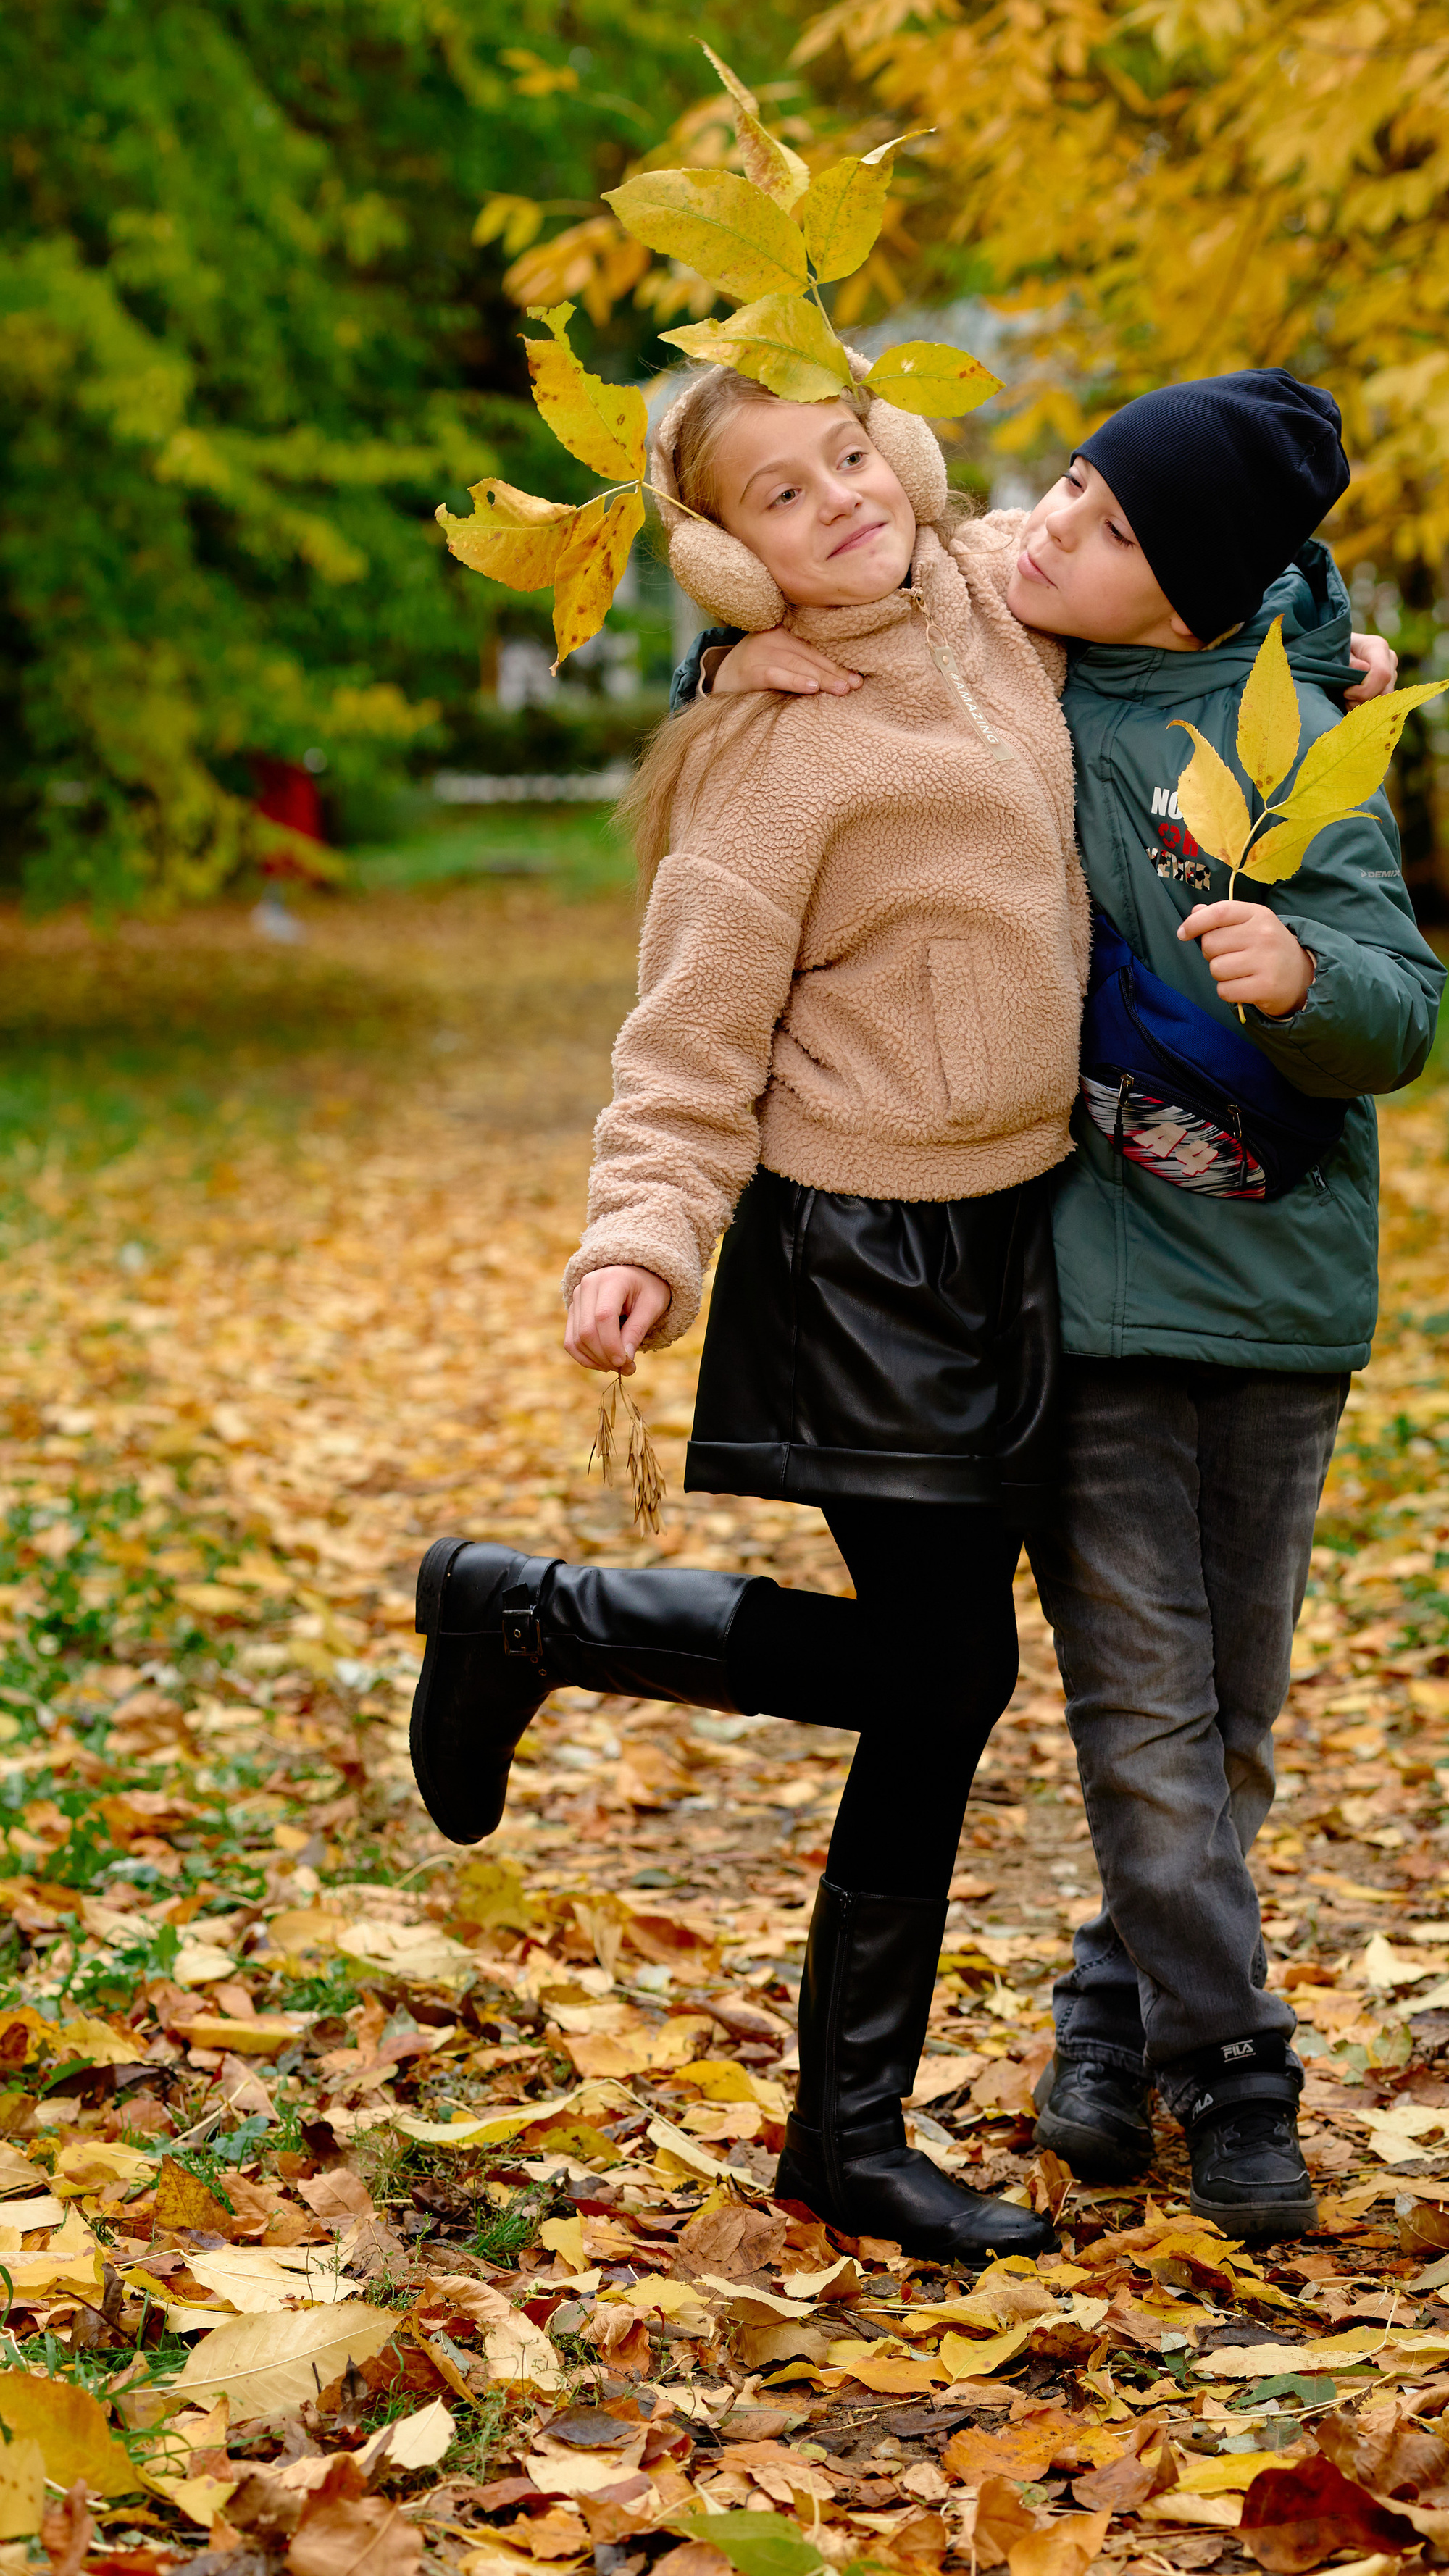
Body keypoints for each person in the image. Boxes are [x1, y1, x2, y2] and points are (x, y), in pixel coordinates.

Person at [688, 372, 1444, 2243]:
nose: (1053, 532)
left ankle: (1109, 2025)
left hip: (1279, 1302)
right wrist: (727, 659)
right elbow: (857, 584)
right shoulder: (1023, 666)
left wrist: (1303, 977)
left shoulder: (1295, 740)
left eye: (1109, 532)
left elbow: (1399, 1005)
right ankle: (1238, 2073)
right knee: (1141, 1718)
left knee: (1231, 1727)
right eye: (1072, 487)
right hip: (1084, 1302)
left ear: (1188, 595)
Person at [409, 359, 1093, 2267]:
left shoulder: (991, 595)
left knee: (944, 1681)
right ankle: (846, 2141)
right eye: (779, 495)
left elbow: (1152, 574)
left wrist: (1328, 661)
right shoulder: (771, 752)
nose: (839, 501)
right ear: (724, 556)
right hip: (864, 1252)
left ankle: (524, 1614)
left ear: (902, 456)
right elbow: (692, 1031)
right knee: (946, 1677)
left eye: (848, 456)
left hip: (1030, 1231)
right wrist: (640, 1233)